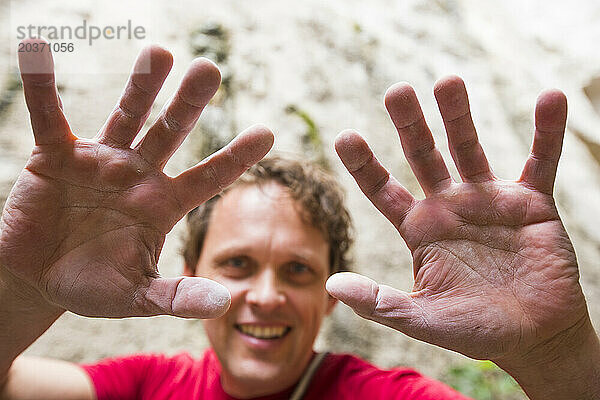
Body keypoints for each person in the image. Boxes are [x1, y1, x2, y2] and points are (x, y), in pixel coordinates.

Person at [0, 37, 599, 399]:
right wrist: (19, 291)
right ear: (185, 271)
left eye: (297, 271)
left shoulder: (381, 396)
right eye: (237, 264)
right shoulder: (146, 386)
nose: (266, 296)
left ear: (332, 294)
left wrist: (558, 358)